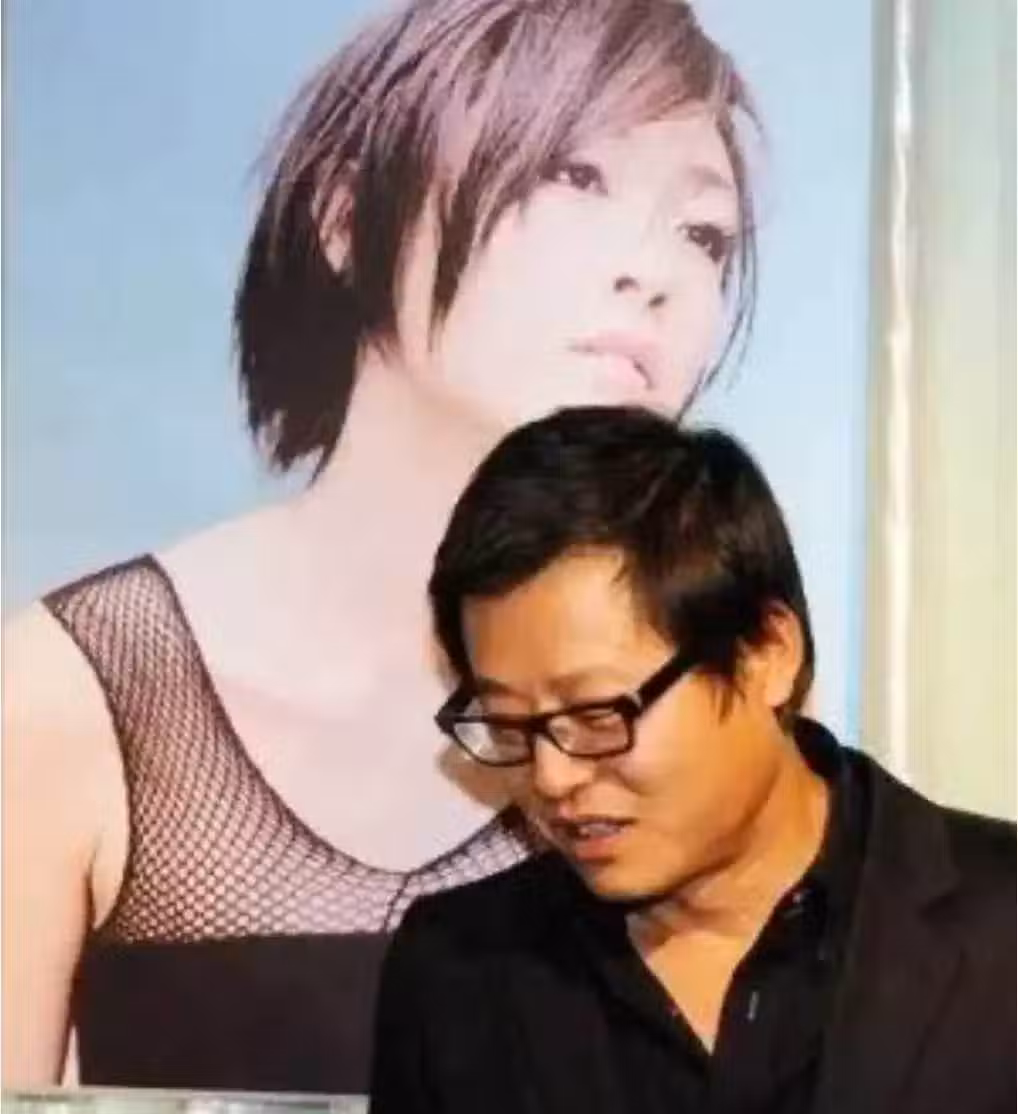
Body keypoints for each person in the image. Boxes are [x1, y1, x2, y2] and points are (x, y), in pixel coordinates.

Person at [2, 0, 761, 1095]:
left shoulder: (715, 709)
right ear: (350, 215)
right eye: (577, 175)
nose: (655, 271)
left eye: (704, 233)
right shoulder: (70, 697)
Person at [370, 406, 1017, 1114]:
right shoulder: (455, 973)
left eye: (597, 714)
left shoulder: (1001, 928)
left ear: (765, 654)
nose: (552, 777)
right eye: (511, 726)